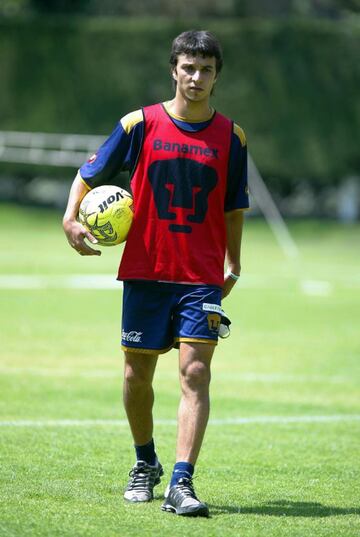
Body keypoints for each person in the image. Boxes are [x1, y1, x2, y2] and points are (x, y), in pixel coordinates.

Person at [63, 30, 249, 517]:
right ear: (174, 69)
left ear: (216, 76)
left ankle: (183, 483)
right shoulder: (138, 124)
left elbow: (234, 206)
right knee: (136, 374)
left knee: (195, 372)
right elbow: (89, 173)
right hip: (146, 270)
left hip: (200, 276)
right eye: (189, 67)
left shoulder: (231, 136)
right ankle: (145, 462)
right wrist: (70, 216)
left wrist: (234, 260)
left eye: (206, 69)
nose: (196, 77)